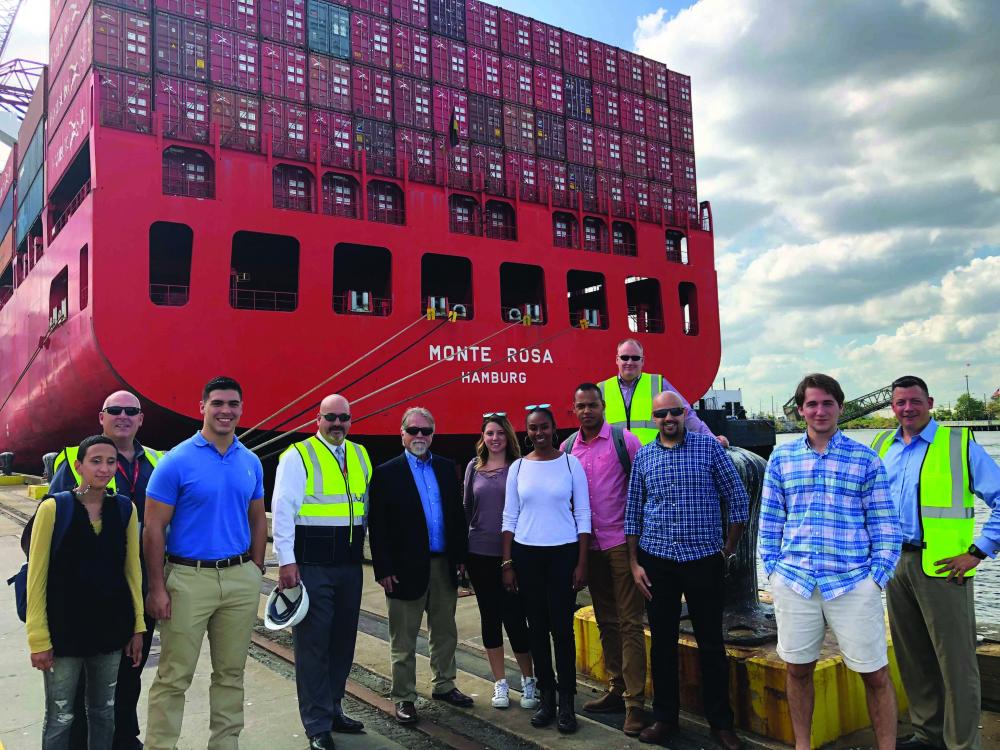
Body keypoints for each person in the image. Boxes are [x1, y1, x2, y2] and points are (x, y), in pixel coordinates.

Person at [760, 373, 902, 750]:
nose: (819, 411)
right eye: (812, 404)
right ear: (800, 410)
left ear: (840, 407)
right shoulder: (782, 457)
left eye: (827, 403)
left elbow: (886, 525)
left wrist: (876, 578)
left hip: (853, 582)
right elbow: (771, 519)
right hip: (796, 582)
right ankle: (803, 745)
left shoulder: (866, 459)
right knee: (797, 669)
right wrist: (773, 570)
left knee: (874, 673)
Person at [872, 375, 1000, 750]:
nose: (907, 408)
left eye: (915, 401)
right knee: (913, 657)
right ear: (892, 407)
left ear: (930, 402)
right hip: (895, 565)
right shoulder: (882, 445)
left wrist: (978, 551)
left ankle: (962, 744)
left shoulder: (958, 444)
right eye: (900, 402)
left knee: (957, 665)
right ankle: (928, 735)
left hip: (945, 568)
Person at [142, 376, 268, 750]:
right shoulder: (176, 461)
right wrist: (157, 587)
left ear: (242, 409)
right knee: (174, 676)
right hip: (188, 578)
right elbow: (153, 528)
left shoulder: (250, 461)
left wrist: (255, 569)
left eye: (232, 404)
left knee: (231, 673)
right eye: (217, 403)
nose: (225, 411)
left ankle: (225, 745)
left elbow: (258, 518)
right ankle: (161, 746)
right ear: (202, 407)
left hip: (239, 579)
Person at [626, 391, 748, 750]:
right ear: (654, 418)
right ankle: (665, 719)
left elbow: (737, 500)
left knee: (711, 643)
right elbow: (633, 512)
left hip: (703, 560)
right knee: (661, 643)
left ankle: (721, 724)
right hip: (657, 561)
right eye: (661, 414)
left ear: (684, 414)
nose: (668, 419)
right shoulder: (645, 456)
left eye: (674, 412)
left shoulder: (708, 449)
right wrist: (634, 564)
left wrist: (728, 549)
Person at [48, 391, 162, 750]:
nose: (123, 416)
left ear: (142, 419)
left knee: (129, 673)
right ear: (102, 417)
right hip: (84, 593)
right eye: (115, 410)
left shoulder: (157, 463)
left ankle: (125, 740)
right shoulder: (72, 462)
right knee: (83, 683)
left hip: (138, 585)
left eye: (132, 411)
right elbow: (44, 529)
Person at [26, 434, 145, 750]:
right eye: (96, 461)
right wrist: (38, 638)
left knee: (104, 711)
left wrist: (138, 628)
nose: (104, 469)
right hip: (64, 634)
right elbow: (37, 578)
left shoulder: (124, 510)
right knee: (60, 717)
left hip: (111, 631)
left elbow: (132, 572)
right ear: (79, 466)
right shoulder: (54, 508)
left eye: (110, 462)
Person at [272, 394, 372, 749]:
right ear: (317, 419)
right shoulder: (298, 455)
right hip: (312, 566)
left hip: (348, 565)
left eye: (343, 418)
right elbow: (283, 510)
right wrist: (286, 559)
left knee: (343, 641)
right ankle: (316, 725)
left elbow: (365, 508)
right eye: (330, 418)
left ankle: (333, 709)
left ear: (350, 420)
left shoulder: (360, 455)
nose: (337, 424)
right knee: (313, 645)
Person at [368, 407, 473, 725]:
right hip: (403, 567)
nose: (419, 437)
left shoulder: (444, 468)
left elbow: (456, 516)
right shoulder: (387, 472)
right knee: (404, 638)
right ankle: (404, 697)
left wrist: (461, 559)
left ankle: (444, 685)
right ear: (402, 433)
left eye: (426, 431)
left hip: (442, 565)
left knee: (445, 632)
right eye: (413, 430)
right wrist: (383, 569)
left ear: (433, 434)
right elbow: (379, 525)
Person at [561, 383, 646, 736]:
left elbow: (643, 489)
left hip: (621, 544)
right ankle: (615, 687)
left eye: (592, 405)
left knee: (630, 622)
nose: (586, 412)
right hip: (589, 547)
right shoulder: (567, 448)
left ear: (603, 405)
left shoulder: (624, 441)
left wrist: (639, 550)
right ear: (574, 409)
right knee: (606, 620)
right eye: (580, 406)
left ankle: (635, 703)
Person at [502, 406, 591, 734]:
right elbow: (509, 517)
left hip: (563, 554)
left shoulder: (571, 464)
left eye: (544, 427)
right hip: (526, 555)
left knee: (562, 631)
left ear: (554, 429)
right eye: (533, 428)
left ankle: (567, 701)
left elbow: (583, 513)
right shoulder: (518, 467)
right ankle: (547, 698)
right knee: (536, 628)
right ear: (527, 432)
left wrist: (582, 561)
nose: (539, 433)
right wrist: (507, 563)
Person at [462, 413, 537, 710]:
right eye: (490, 433)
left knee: (516, 618)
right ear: (483, 437)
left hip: (513, 554)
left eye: (500, 434)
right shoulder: (473, 467)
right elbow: (467, 507)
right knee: (489, 617)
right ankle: (500, 683)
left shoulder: (519, 468)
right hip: (480, 552)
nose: (495, 439)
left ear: (509, 437)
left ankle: (529, 681)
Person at [600, 338, 729, 447]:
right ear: (617, 359)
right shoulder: (601, 389)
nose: (629, 362)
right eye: (624, 357)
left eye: (635, 358)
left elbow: (684, 413)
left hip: (652, 459)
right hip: (615, 463)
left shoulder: (658, 383)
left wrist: (711, 438)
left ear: (642, 361)